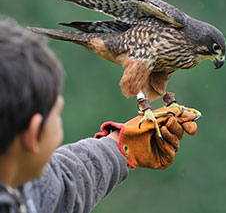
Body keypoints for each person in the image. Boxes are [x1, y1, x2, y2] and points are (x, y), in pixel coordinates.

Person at [0, 18, 198, 213]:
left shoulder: (22, 189)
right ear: (33, 133)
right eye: (57, 112)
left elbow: (65, 185)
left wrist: (120, 146)